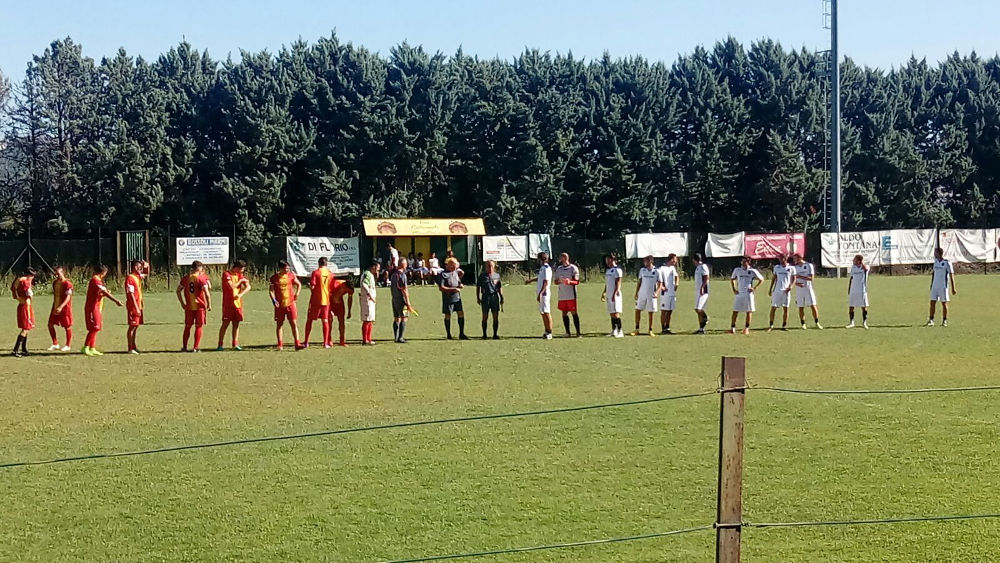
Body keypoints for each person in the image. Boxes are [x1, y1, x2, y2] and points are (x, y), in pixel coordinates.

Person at [82, 265, 122, 356]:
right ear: (103, 272)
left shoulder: (98, 280)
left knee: (97, 327)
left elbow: (100, 293)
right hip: (92, 307)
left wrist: (104, 293)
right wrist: (116, 301)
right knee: (95, 327)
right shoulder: (95, 279)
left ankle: (92, 348)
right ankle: (85, 347)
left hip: (97, 307)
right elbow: (103, 292)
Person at [176, 260, 212, 352]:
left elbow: (178, 291)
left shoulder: (186, 278)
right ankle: (195, 347)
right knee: (199, 326)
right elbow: (207, 293)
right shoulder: (201, 279)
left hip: (189, 306)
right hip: (199, 306)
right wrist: (209, 304)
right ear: (199, 268)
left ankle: (184, 347)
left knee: (187, 326)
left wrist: (182, 303)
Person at [269, 260, 303, 350]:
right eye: (285, 268)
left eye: (288, 268)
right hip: (280, 305)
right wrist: (274, 300)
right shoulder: (274, 278)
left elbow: (299, 284)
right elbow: (271, 291)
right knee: (279, 324)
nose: (287, 270)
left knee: (293, 323)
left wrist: (297, 294)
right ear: (280, 268)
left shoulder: (291, 276)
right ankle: (280, 344)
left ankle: (297, 343)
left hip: (290, 303)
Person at [217, 260, 251, 351]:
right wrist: (240, 281)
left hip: (238, 304)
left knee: (236, 324)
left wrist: (240, 294)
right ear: (237, 268)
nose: (243, 271)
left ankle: (235, 344)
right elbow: (232, 286)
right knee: (225, 324)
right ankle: (220, 344)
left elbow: (248, 286)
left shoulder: (239, 275)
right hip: (228, 304)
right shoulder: (226, 274)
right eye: (242, 269)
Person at [304, 257, 334, 348]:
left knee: (310, 320)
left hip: (316, 300)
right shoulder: (330, 274)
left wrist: (311, 288)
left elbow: (313, 287)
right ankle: (325, 343)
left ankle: (306, 342)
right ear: (326, 264)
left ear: (319, 263)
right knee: (325, 320)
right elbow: (331, 288)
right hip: (326, 300)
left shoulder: (315, 273)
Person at [730, 256, 764, 335]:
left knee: (749, 311)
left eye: (744, 261)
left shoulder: (752, 271)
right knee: (735, 311)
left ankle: (746, 328)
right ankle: (732, 328)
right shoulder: (737, 270)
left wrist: (754, 288)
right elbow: (732, 279)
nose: (742, 262)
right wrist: (734, 289)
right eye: (742, 261)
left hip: (748, 294)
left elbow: (761, 279)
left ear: (748, 262)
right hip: (739, 294)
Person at [524, 252, 553, 339]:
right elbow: (540, 278)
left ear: (540, 259)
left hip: (544, 293)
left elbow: (546, 282)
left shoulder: (546, 268)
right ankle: (546, 331)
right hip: (541, 293)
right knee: (543, 312)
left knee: (546, 312)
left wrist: (541, 293)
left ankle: (549, 332)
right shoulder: (542, 268)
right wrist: (531, 280)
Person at [438, 257, 468, 340]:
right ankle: (448, 334)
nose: (456, 267)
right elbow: (441, 288)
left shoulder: (455, 272)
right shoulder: (443, 274)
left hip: (457, 297)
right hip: (448, 298)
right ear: (450, 265)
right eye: (454, 265)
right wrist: (453, 289)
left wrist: (460, 285)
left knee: (460, 313)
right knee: (448, 315)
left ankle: (461, 333)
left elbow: (458, 281)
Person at [553, 252, 582, 337]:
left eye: (564, 257)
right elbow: (555, 281)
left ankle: (578, 332)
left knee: (574, 313)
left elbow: (577, 281)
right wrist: (559, 281)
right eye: (561, 258)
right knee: (564, 313)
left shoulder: (573, 268)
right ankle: (567, 332)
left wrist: (569, 282)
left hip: (571, 295)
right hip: (562, 295)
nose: (562, 259)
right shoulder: (559, 269)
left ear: (567, 258)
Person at [632, 255, 662, 336]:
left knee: (651, 312)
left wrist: (657, 293)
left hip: (651, 294)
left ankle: (650, 330)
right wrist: (636, 292)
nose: (644, 263)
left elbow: (660, 284)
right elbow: (640, 282)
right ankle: (637, 329)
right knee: (637, 310)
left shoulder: (657, 271)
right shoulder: (642, 270)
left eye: (645, 261)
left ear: (650, 261)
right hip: (642, 294)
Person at [927, 247, 956, 327]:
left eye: (935, 252)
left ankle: (944, 320)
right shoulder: (935, 262)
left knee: (944, 303)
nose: (934, 254)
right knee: (932, 302)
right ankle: (931, 319)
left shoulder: (947, 263)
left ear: (939, 253)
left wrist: (953, 288)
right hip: (935, 286)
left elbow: (951, 275)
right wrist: (931, 284)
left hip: (943, 287)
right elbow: (934, 274)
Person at [46, 266, 73, 351]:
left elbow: (68, 297)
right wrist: (56, 306)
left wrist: (61, 307)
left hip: (65, 309)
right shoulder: (55, 283)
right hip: (55, 307)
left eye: (58, 274)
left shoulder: (68, 283)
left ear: (63, 273)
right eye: (55, 274)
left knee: (67, 326)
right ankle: (55, 343)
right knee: (50, 325)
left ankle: (68, 345)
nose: (56, 275)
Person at [10, 267, 36, 357]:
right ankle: (15, 350)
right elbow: (29, 294)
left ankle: (24, 349)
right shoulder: (26, 282)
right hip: (26, 307)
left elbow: (12, 288)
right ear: (29, 275)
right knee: (26, 328)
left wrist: (17, 297)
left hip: (21, 305)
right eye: (32, 276)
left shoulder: (18, 280)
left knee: (27, 328)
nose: (32, 278)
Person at [792, 254, 822, 329]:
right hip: (799, 290)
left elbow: (811, 278)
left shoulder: (809, 265)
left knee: (813, 305)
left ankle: (817, 322)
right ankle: (803, 324)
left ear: (800, 258)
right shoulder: (794, 267)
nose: (794, 260)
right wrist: (797, 283)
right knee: (800, 307)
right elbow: (792, 279)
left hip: (808, 289)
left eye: (795, 258)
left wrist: (800, 277)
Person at [476, 259, 503, 340]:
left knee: (495, 316)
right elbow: (478, 287)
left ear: (494, 266)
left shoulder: (496, 275)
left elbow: (499, 287)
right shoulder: (482, 276)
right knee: (485, 316)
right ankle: (484, 334)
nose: (489, 267)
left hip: (494, 297)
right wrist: (478, 297)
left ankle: (495, 334)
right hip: (485, 297)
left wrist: (502, 297)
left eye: (491, 265)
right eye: (488, 266)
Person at [767, 254, 794, 331]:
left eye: (782, 258)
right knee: (773, 307)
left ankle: (784, 325)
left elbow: (794, 278)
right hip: (777, 291)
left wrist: (791, 286)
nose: (780, 260)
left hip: (786, 291)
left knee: (786, 308)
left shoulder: (791, 268)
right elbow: (774, 278)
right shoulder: (776, 267)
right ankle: (771, 325)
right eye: (780, 258)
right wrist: (770, 289)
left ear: (785, 258)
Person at [390, 257, 414, 343]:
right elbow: (404, 290)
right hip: (401, 300)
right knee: (404, 317)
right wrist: (408, 303)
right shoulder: (402, 275)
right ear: (403, 265)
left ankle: (395, 337)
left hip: (394, 299)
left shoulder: (393, 275)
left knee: (396, 318)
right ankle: (400, 337)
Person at [124, 260, 145, 354]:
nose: (140, 269)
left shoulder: (137, 277)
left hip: (139, 305)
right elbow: (131, 293)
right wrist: (136, 307)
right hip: (133, 306)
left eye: (140, 267)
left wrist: (145, 266)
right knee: (132, 326)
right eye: (138, 267)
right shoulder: (130, 278)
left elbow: (146, 273)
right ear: (133, 267)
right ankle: (130, 347)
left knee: (136, 326)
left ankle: (134, 345)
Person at [601, 254, 624, 338]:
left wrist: (615, 293)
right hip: (609, 293)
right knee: (611, 312)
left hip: (615, 294)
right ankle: (614, 330)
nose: (606, 261)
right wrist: (604, 292)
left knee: (616, 312)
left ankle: (620, 331)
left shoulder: (617, 270)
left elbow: (618, 282)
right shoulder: (608, 270)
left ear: (612, 259)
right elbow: (607, 283)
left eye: (608, 259)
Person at [657, 254, 680, 335]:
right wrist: (662, 287)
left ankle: (667, 327)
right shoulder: (661, 268)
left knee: (670, 311)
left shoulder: (672, 268)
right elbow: (657, 279)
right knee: (664, 311)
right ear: (671, 259)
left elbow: (677, 277)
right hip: (665, 293)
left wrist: (676, 284)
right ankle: (663, 328)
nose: (676, 261)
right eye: (675, 259)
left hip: (672, 293)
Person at [329, 276, 355, 346]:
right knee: (330, 320)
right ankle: (329, 339)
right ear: (345, 286)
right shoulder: (336, 284)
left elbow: (350, 298)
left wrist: (349, 310)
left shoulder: (351, 288)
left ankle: (342, 341)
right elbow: (327, 294)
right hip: (330, 302)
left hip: (340, 303)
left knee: (341, 321)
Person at [847, 255, 870, 329]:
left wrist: (861, 262)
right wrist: (849, 288)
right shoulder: (853, 268)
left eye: (854, 259)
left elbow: (866, 269)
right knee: (851, 306)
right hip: (853, 290)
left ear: (858, 261)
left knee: (864, 307)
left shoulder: (865, 267)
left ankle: (864, 322)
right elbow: (851, 278)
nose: (853, 261)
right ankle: (851, 322)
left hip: (862, 290)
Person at [360, 259, 380, 345]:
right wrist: (369, 294)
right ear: (374, 267)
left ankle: (368, 338)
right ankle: (365, 339)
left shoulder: (370, 274)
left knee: (371, 319)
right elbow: (364, 284)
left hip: (370, 300)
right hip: (367, 300)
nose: (378, 269)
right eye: (378, 267)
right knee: (367, 319)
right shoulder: (367, 274)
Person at [692, 253, 711, 334]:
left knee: (699, 309)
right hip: (698, 291)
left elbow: (706, 277)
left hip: (703, 291)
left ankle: (705, 318)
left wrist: (703, 287)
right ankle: (701, 329)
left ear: (694, 260)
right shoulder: (698, 268)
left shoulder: (703, 266)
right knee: (696, 308)